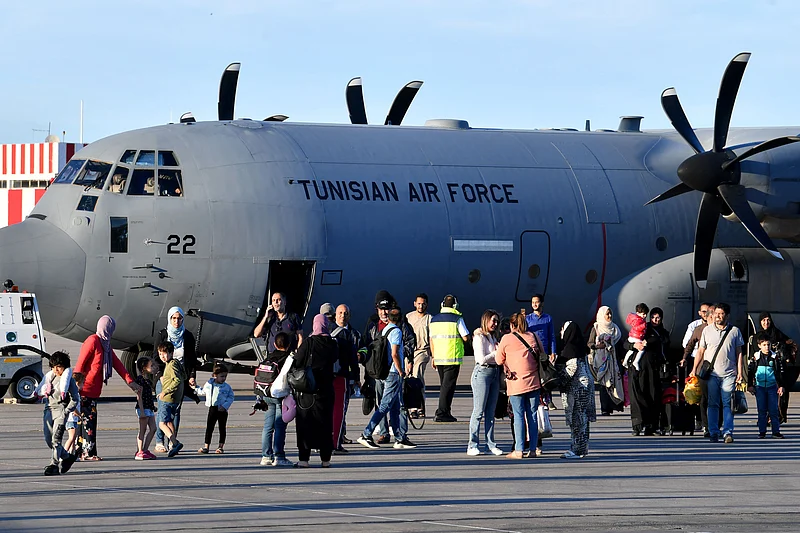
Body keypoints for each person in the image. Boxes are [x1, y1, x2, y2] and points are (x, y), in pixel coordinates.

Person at [74, 315, 141, 461]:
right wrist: (75, 386)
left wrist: (131, 383)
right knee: (88, 422)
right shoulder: (92, 341)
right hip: (84, 390)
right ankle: (88, 453)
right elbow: (80, 364)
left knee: (86, 422)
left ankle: (81, 452)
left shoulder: (106, 346)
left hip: (94, 391)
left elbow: (118, 365)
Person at [357, 308, 416, 450]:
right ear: (400, 319)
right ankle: (366, 434)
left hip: (384, 373)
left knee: (395, 406)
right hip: (393, 373)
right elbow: (395, 353)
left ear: (388, 318)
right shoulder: (396, 331)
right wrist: (401, 371)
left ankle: (399, 437)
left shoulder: (384, 331)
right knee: (385, 405)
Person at [691, 303, 744, 444]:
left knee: (727, 404)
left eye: (721, 314)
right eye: (716, 314)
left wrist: (740, 372)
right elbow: (700, 351)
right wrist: (693, 369)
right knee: (712, 404)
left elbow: (739, 353)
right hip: (712, 375)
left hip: (729, 374)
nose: (718, 316)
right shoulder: (707, 331)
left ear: (727, 315)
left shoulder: (735, 331)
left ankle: (727, 432)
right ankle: (713, 432)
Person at [293, 314, 338, 467]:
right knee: (325, 425)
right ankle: (325, 459)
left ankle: (304, 459)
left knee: (305, 424)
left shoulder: (309, 343)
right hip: (326, 390)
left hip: (308, 391)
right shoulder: (332, 344)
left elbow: (297, 361)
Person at [496, 312, 542, 459]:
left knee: (518, 416)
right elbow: (542, 353)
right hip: (533, 382)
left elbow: (498, 360)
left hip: (516, 384)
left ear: (511, 325)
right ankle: (533, 449)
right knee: (532, 416)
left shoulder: (507, 338)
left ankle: (519, 450)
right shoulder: (533, 336)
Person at [154, 306, 198, 453]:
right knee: (162, 411)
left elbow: (192, 359)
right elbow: (155, 356)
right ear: (169, 318)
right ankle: (160, 441)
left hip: (180, 378)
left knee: (175, 412)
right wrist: (160, 375)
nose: (176, 321)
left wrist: (191, 376)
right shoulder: (163, 334)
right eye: (174, 318)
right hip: (164, 379)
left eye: (179, 318)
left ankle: (173, 441)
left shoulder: (188, 336)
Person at [467, 309, 503, 456]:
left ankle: (491, 444)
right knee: (478, 411)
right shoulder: (479, 337)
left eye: (496, 321)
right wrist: (497, 352)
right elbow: (481, 359)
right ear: (485, 320)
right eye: (492, 320)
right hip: (482, 373)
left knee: (491, 411)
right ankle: (472, 444)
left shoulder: (493, 337)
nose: (494, 324)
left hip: (494, 372)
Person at [39, 351, 80, 476]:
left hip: (60, 411)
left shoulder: (68, 380)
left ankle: (54, 464)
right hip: (49, 410)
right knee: (48, 439)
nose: (56, 370)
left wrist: (66, 411)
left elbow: (75, 398)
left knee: (56, 439)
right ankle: (67, 457)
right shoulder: (51, 377)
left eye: (59, 367)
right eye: (54, 367)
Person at [557, 322, 595, 459]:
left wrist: (559, 379)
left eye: (563, 329)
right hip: (586, 387)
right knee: (583, 420)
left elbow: (571, 368)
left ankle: (576, 449)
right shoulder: (580, 347)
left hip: (577, 389)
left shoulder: (570, 348)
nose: (561, 332)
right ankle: (582, 448)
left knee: (577, 420)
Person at [753, 312, 797, 424]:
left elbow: (788, 344)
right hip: (763, 370)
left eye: (768, 320)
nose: (766, 322)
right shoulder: (757, 337)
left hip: (777, 369)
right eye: (763, 320)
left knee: (779, 393)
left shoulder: (777, 333)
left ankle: (778, 416)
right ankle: (765, 418)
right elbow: (754, 354)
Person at [431, 294, 469, 422]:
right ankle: (442, 413)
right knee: (448, 386)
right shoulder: (457, 318)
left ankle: (445, 410)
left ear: (442, 305)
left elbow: (432, 340)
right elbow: (465, 337)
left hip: (439, 358)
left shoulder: (434, 320)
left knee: (444, 385)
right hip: (452, 357)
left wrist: (433, 356)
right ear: (455, 305)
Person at [331, 304, 361, 453]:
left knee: (343, 408)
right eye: (340, 313)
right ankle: (337, 437)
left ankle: (340, 434)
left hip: (346, 377)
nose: (343, 315)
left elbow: (358, 354)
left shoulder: (354, 333)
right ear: (335, 315)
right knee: (335, 409)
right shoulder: (329, 331)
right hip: (334, 377)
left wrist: (356, 376)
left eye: (345, 313)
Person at [260, 332, 293, 467]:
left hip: (266, 393)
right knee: (280, 426)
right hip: (280, 395)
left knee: (268, 426)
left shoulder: (268, 357)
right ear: (289, 345)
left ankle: (266, 456)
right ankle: (279, 455)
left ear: (274, 344)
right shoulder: (288, 359)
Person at [683, 304, 716, 436]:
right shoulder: (699, 329)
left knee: (717, 398)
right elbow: (690, 345)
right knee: (704, 399)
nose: (715, 319)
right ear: (707, 318)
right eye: (713, 317)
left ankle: (716, 424)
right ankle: (706, 425)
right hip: (703, 368)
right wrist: (685, 359)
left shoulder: (722, 330)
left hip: (718, 369)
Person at [747, 333, 786, 439]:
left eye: (768, 344)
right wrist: (750, 385)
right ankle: (762, 431)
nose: (766, 347)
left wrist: (781, 386)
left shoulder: (775, 357)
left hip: (772, 387)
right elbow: (750, 372)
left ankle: (775, 431)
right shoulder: (756, 357)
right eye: (764, 345)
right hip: (759, 387)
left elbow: (780, 373)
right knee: (762, 410)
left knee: (773, 410)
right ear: (759, 345)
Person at [587, 306, 624, 416]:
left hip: (614, 360)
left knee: (614, 383)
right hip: (602, 360)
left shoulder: (615, 329)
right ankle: (605, 408)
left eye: (610, 314)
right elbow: (589, 343)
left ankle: (614, 405)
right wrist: (598, 346)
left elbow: (620, 344)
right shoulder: (597, 327)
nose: (609, 316)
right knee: (604, 384)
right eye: (607, 314)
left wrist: (622, 358)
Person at [196, 362, 235, 454]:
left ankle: (220, 446)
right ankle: (206, 446)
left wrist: (225, 406)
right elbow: (203, 391)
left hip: (222, 409)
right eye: (222, 376)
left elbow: (231, 397)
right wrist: (195, 388)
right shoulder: (209, 384)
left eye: (225, 376)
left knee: (222, 428)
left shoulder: (227, 387)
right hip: (212, 408)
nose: (224, 378)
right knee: (209, 427)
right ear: (215, 375)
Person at [157, 341, 186, 457]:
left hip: (168, 399)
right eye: (160, 354)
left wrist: (165, 391)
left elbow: (177, 380)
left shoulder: (171, 365)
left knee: (162, 424)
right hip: (175, 399)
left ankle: (175, 443)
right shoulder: (176, 363)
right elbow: (184, 376)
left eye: (165, 353)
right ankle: (173, 445)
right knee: (169, 422)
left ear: (171, 353)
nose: (162, 357)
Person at [406, 293, 432, 418]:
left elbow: (432, 338)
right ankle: (413, 406)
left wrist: (434, 355)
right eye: (419, 303)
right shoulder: (408, 317)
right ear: (414, 303)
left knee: (417, 376)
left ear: (427, 304)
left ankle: (417, 407)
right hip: (409, 352)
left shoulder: (429, 319)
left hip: (423, 350)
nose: (421, 306)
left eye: (423, 304)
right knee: (408, 377)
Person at [134, 356, 157, 460]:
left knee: (153, 429)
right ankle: (139, 451)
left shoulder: (147, 380)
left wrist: (153, 407)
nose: (153, 368)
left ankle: (145, 449)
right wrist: (142, 411)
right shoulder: (140, 380)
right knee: (142, 430)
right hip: (142, 408)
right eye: (151, 366)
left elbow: (148, 396)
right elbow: (139, 397)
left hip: (149, 408)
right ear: (144, 368)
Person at [624, 303, 649, 371]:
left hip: (633, 336)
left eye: (645, 314)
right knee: (642, 349)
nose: (645, 316)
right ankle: (636, 361)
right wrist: (643, 326)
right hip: (637, 337)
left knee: (630, 350)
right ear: (638, 313)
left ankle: (625, 361)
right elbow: (637, 328)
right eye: (643, 314)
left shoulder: (635, 319)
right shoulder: (639, 320)